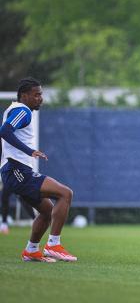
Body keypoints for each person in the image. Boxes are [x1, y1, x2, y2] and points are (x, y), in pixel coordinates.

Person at [0, 77, 77, 262]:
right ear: (24, 96)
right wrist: (30, 151)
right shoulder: (23, 110)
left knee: (47, 211)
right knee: (65, 194)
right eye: (36, 95)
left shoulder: (18, 110)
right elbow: (4, 130)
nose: (40, 98)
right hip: (15, 169)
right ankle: (53, 245)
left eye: (41, 94)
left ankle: (32, 250)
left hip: (16, 169)